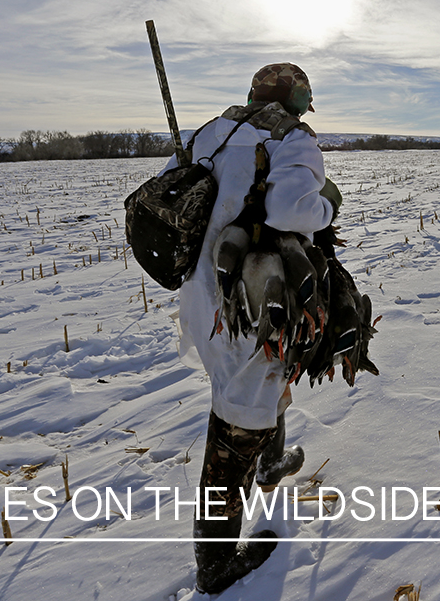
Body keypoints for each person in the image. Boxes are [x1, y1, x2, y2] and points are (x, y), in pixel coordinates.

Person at [161, 63, 342, 594]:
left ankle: (269, 464)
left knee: (260, 389)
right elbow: (291, 209)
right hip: (250, 302)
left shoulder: (209, 132)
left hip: (200, 295)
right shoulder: (291, 139)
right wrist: (328, 202)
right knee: (235, 426)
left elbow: (173, 190)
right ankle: (215, 567)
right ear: (298, 99)